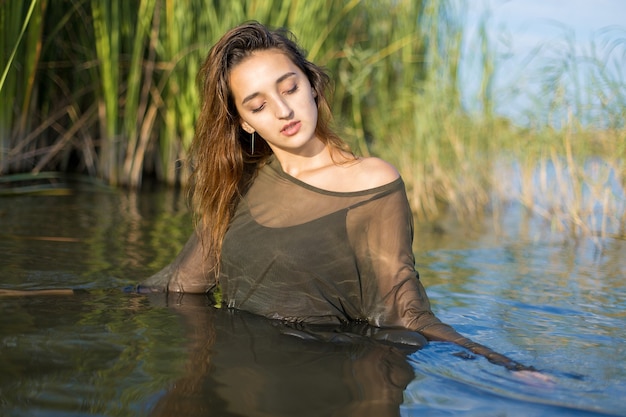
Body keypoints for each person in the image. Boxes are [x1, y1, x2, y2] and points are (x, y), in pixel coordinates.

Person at [140, 21, 536, 373]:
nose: (282, 110)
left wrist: (506, 365)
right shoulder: (239, 181)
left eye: (290, 88)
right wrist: (81, 302)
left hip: (319, 379)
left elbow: (404, 310)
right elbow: (179, 286)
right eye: (259, 105)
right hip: (233, 382)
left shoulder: (370, 182)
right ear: (245, 121)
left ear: (311, 85)